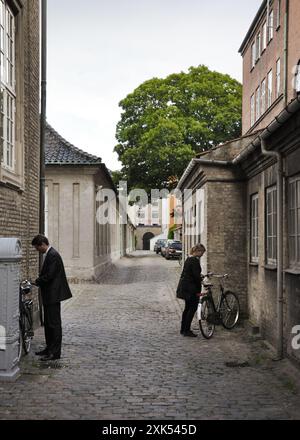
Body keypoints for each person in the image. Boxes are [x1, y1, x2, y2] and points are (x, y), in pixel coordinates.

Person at [31, 234, 72, 360]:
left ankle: (54, 353)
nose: (38, 251)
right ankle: (49, 349)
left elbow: (50, 275)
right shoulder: (50, 254)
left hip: (53, 295)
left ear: (43, 244)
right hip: (50, 295)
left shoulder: (53, 255)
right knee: (48, 324)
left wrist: (37, 281)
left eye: (38, 248)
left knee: (54, 324)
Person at [176, 243, 206, 337]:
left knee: (187, 309)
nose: (202, 255)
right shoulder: (194, 260)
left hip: (186, 288)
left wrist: (199, 275)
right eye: (202, 253)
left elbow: (191, 273)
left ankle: (183, 329)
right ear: (198, 251)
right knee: (191, 309)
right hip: (191, 289)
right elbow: (196, 276)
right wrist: (203, 282)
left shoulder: (189, 259)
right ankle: (187, 330)